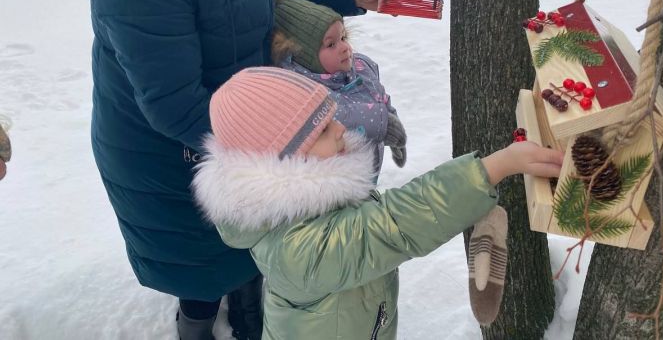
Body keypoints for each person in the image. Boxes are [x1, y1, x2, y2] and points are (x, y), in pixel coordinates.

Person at [86, 0, 394, 338]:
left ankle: (249, 301)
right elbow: (173, 104)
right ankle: (197, 318)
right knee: (202, 257)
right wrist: (289, 140)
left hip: (247, 129)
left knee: (252, 246)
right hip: (175, 152)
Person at [191, 67, 563, 340]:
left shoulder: (310, 198)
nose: (341, 129)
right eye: (323, 130)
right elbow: (391, 226)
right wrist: (492, 169)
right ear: (285, 160)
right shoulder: (295, 249)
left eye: (332, 117)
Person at [272, 0, 407, 178]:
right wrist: (383, 125)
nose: (344, 47)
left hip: (369, 173)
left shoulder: (362, 66)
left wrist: (394, 124)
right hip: (335, 187)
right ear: (304, 55)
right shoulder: (303, 89)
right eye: (331, 44)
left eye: (343, 37)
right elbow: (336, 113)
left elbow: (380, 97)